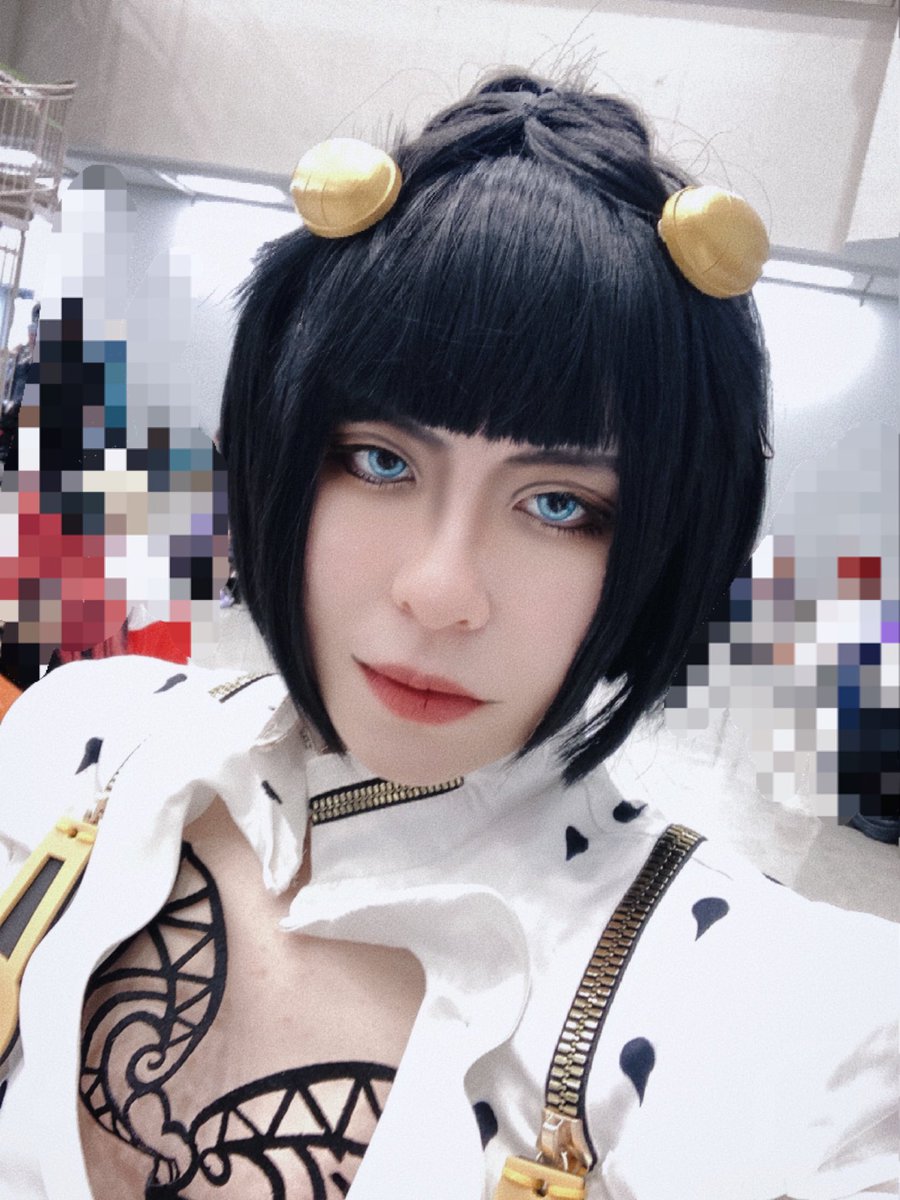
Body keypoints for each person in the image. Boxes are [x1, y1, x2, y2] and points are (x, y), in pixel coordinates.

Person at [0, 73, 895, 1200]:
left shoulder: (771, 1020)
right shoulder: (83, 745)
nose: (440, 592)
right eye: (380, 460)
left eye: (560, 505)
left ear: (665, 543)